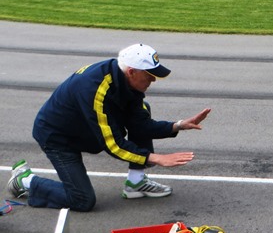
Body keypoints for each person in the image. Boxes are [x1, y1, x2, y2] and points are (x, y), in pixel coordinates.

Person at [6, 43, 211, 212]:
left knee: (143, 110)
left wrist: (178, 126)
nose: (153, 79)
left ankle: (136, 182)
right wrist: (155, 158)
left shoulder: (129, 83)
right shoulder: (95, 89)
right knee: (82, 200)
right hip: (58, 137)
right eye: (149, 74)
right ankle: (25, 180)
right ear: (132, 72)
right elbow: (113, 145)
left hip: (84, 127)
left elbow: (141, 125)